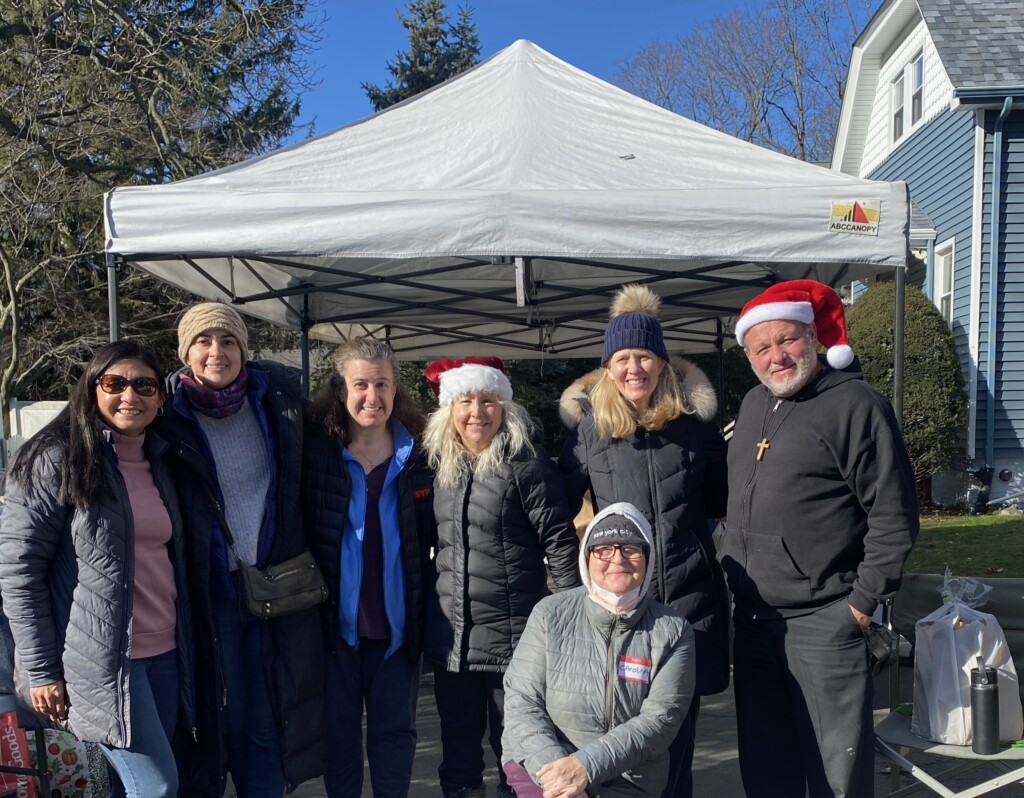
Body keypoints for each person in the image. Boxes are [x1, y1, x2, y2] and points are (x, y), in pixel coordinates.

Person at [721, 279, 919, 798]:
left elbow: (894, 515)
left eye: (786, 340)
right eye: (761, 348)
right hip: (756, 622)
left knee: (835, 777)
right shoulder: (751, 405)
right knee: (767, 771)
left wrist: (860, 604)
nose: (776, 357)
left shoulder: (856, 404)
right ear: (748, 355)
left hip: (825, 623)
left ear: (812, 336)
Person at [558, 283, 728, 798]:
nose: (635, 368)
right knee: (621, 743)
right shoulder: (590, 432)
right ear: (608, 366)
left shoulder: (696, 428)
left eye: (646, 356)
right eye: (624, 358)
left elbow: (723, 504)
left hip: (689, 602)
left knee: (678, 742)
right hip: (621, 613)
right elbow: (557, 510)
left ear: (664, 363)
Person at [0, 341, 191, 798]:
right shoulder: (53, 458)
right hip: (101, 663)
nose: (131, 395)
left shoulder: (159, 460)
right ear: (91, 389)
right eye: (115, 383)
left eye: (144, 384)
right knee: (158, 785)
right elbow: (18, 571)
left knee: (133, 786)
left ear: (160, 396)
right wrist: (42, 670)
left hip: (164, 650)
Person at [163, 302, 325, 797]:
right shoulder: (166, 417)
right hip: (213, 590)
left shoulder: (276, 400)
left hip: (279, 583)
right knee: (224, 714)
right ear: (185, 352)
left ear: (243, 349)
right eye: (204, 341)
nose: (217, 352)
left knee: (270, 714)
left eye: (228, 341)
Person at [421, 357, 581, 798]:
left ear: (505, 407)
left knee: (516, 748)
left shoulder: (528, 467)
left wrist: (569, 628)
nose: (478, 412)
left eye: (488, 401)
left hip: (515, 643)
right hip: (452, 643)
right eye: (467, 401)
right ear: (449, 410)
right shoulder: (436, 470)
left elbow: (561, 545)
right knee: (457, 747)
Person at [302, 337, 436, 798]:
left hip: (398, 632)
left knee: (394, 741)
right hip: (336, 631)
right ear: (341, 391)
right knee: (339, 744)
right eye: (360, 384)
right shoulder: (316, 454)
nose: (372, 397)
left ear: (397, 391)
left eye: (382, 384)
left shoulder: (422, 457)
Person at [502, 502, 695, 798]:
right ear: (587, 558)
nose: (617, 559)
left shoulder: (673, 630)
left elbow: (660, 721)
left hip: (630, 778)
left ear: (648, 558)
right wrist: (561, 777)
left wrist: (585, 767)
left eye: (631, 549)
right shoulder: (549, 614)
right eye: (603, 549)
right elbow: (522, 702)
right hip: (543, 769)